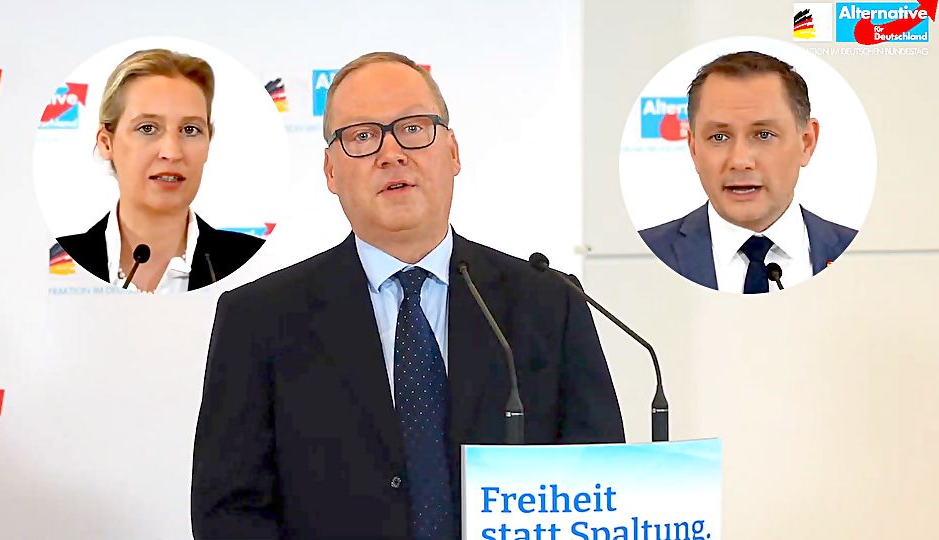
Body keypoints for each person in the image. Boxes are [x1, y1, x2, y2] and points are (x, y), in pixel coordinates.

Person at [191, 51, 625, 539]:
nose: (392, 153)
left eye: (414, 128)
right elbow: (228, 513)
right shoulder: (258, 319)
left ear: (453, 152)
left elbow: (600, 480)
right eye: (362, 136)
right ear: (330, 171)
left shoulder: (549, 302)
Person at [638, 51, 857, 294]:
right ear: (694, 148)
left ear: (806, 142)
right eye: (719, 137)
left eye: (763, 135)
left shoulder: (861, 254)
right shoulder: (641, 258)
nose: (740, 161)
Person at [55, 49, 264, 294]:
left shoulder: (253, 262)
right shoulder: (60, 262)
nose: (172, 152)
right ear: (106, 143)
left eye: (190, 130)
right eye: (147, 128)